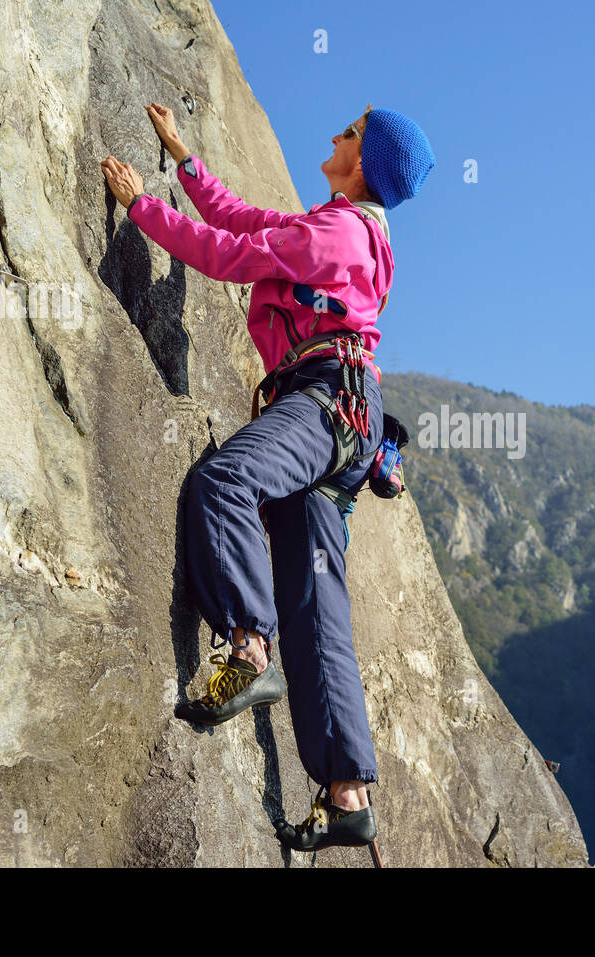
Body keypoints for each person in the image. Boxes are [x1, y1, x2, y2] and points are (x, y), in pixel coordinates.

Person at [100, 102, 434, 854]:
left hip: (324, 401)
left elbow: (227, 254)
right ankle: (346, 794)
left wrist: (143, 207)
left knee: (225, 481)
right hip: (347, 424)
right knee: (318, 611)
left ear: (364, 162)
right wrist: (186, 163)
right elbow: (249, 222)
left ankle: (249, 648)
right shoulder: (349, 233)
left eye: (346, 132)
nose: (333, 135)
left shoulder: (339, 230)